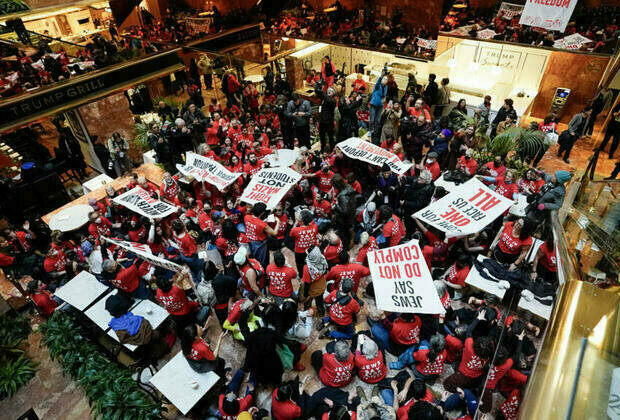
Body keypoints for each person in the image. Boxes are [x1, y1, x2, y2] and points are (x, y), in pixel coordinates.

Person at [244, 202, 280, 269]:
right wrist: (278, 222)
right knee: (261, 261)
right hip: (259, 244)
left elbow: (255, 222)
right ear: (262, 213)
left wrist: (263, 221)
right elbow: (274, 233)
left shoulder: (246, 217)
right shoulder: (262, 224)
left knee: (253, 258)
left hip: (249, 241)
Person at [316, 86, 337, 151]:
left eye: (331, 91)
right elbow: (318, 93)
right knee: (322, 136)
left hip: (329, 122)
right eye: (328, 90)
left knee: (330, 137)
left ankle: (332, 148)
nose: (329, 92)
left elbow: (326, 98)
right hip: (322, 121)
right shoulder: (324, 98)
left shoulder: (333, 100)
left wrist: (322, 91)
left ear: (333, 93)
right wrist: (317, 86)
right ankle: (323, 147)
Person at [369, 66, 388, 134]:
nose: (385, 80)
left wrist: (384, 100)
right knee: (372, 120)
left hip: (380, 106)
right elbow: (378, 82)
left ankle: (376, 132)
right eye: (384, 79)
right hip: (373, 105)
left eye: (386, 79)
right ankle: (370, 131)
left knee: (378, 120)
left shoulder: (386, 87)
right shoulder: (377, 86)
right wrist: (381, 76)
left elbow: (384, 95)